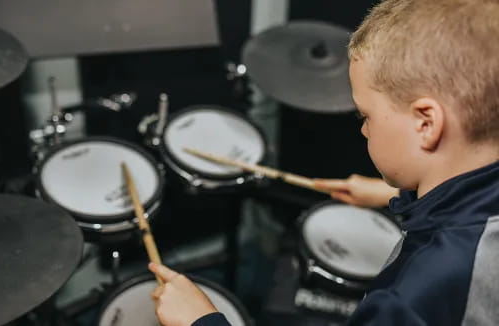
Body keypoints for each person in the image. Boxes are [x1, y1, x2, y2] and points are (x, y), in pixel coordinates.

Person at [149, 0, 499, 324]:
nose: (363, 130)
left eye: (366, 116)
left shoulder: (411, 297)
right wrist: (381, 192)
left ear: (426, 123)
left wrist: (202, 321)